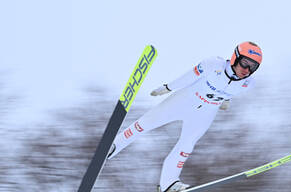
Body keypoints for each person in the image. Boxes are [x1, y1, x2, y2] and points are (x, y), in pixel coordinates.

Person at [107, 41, 263, 192]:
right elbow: (189, 76)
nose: (247, 70)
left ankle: (168, 183)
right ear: (236, 57)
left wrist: (226, 99)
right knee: (146, 123)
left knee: (186, 146)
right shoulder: (213, 64)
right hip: (182, 102)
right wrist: (168, 87)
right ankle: (113, 146)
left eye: (253, 67)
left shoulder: (248, 83)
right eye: (245, 63)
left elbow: (230, 89)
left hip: (204, 114)